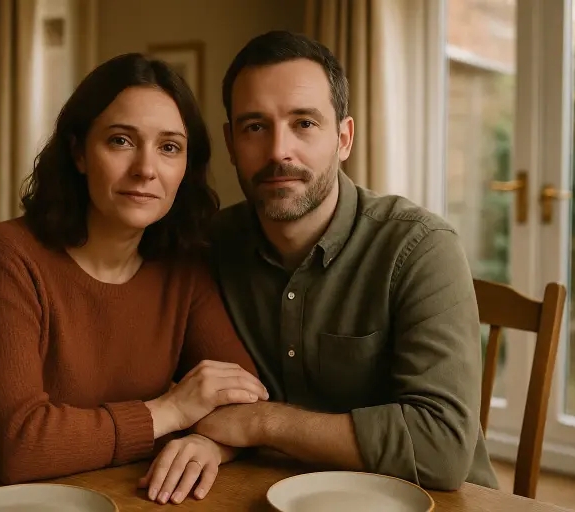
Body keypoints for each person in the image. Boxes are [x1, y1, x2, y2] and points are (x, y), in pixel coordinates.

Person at [0, 53, 268, 505]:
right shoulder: (3, 254)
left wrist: (211, 444)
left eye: (169, 147)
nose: (146, 168)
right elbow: (20, 446)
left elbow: (246, 399)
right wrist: (171, 410)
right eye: (121, 140)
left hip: (85, 490)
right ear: (78, 152)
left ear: (186, 168)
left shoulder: (185, 267)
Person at [148, 30, 499, 493]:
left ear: (344, 137)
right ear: (231, 143)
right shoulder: (208, 247)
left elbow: (442, 447)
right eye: (255, 126)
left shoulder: (420, 248)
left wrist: (262, 424)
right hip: (267, 493)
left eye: (304, 123)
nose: (278, 152)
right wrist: (218, 443)